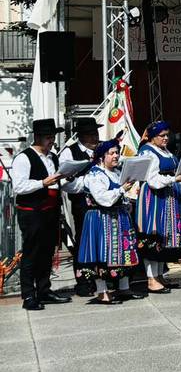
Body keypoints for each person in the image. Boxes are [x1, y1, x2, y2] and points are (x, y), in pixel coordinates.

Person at [11, 119, 71, 310]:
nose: (51, 140)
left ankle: (44, 290)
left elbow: (56, 182)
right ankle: (29, 295)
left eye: (53, 137)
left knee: (47, 251)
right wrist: (43, 182)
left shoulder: (52, 157)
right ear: (37, 137)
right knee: (31, 253)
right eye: (48, 137)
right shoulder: (24, 158)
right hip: (32, 211)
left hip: (50, 210)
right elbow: (19, 187)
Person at [76, 135, 143, 303]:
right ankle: (102, 292)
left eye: (117, 153)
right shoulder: (95, 175)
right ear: (102, 156)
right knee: (101, 254)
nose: (116, 156)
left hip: (118, 217)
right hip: (100, 218)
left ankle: (124, 288)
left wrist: (127, 200)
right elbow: (103, 199)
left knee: (123, 252)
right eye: (112, 153)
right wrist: (121, 190)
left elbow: (121, 195)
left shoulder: (116, 172)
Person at [136, 121, 181, 294]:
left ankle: (159, 276)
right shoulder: (147, 152)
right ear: (153, 137)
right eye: (162, 135)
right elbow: (152, 180)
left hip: (167, 197)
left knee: (163, 238)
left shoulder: (165, 150)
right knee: (153, 236)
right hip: (154, 198)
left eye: (168, 135)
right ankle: (151, 279)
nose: (166, 138)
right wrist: (175, 179)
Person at [61, 116, 101, 297]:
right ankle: (84, 280)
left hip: (104, 203)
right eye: (90, 135)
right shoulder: (69, 152)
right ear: (81, 136)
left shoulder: (102, 150)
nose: (95, 138)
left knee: (102, 239)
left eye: (96, 133)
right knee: (84, 241)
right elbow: (65, 182)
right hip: (82, 203)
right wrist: (88, 182)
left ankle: (103, 278)